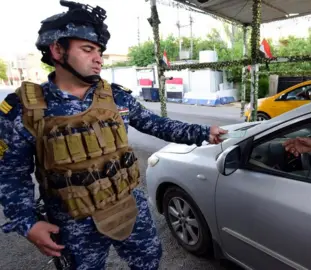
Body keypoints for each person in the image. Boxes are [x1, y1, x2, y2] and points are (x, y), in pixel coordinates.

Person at [0, 1, 226, 269]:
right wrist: (28, 223)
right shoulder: (25, 110)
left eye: (99, 51)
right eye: (87, 49)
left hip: (128, 207)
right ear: (57, 50)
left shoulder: (114, 96)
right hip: (74, 221)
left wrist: (203, 132)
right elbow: (11, 174)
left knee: (149, 262)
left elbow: (156, 124)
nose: (98, 58)